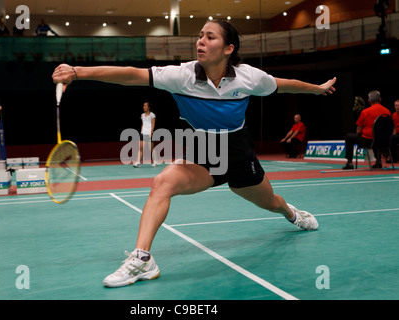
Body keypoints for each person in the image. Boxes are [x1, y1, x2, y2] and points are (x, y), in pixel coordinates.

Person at [52, 19, 336, 288]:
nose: (201, 41)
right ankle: (142, 259)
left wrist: (316, 89)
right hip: (203, 153)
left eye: (209, 37)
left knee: (271, 202)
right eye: (200, 36)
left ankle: (291, 214)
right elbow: (133, 75)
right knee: (161, 183)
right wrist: (78, 72)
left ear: (228, 49)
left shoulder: (249, 77)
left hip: (238, 153)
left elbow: (283, 84)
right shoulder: (182, 76)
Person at [342, 90, 391, 169]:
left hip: (369, 141)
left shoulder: (365, 112)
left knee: (349, 137)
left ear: (369, 100)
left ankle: (350, 163)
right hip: (384, 141)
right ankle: (378, 162)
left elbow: (358, 131)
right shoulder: (387, 112)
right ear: (380, 100)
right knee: (377, 136)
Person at [133, 101, 160, 167]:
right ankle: (138, 162)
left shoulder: (152, 115)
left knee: (151, 148)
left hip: (149, 133)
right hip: (143, 133)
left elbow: (153, 124)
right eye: (143, 106)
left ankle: (155, 162)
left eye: (145, 106)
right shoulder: (142, 115)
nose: (144, 107)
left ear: (149, 107)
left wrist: (151, 132)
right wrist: (141, 131)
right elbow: (142, 124)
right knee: (141, 148)